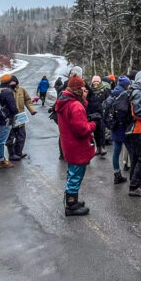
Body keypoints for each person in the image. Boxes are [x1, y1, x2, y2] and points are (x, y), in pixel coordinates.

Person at [54, 76, 94, 216]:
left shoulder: (65, 102)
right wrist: (92, 124)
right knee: (76, 174)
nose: (86, 90)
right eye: (83, 88)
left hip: (69, 144)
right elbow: (81, 129)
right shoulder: (75, 106)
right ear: (78, 89)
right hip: (77, 146)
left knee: (73, 173)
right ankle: (71, 205)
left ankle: (73, 200)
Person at [103, 75, 132, 184]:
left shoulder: (113, 93)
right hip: (124, 126)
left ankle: (117, 174)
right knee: (131, 151)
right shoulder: (125, 94)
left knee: (116, 152)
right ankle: (135, 176)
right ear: (126, 85)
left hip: (115, 126)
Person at [0, 75, 19, 169]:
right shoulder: (7, 91)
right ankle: (0, 160)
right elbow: (13, 107)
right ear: (11, 82)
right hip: (6, 119)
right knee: (2, 140)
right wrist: (16, 111)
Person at [6, 75, 36, 161]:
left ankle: (18, 153)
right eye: (10, 82)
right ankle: (11, 154)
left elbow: (27, 100)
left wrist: (32, 110)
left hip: (20, 117)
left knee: (21, 136)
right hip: (10, 118)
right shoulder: (6, 91)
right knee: (10, 137)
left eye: (14, 82)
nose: (12, 84)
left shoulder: (21, 90)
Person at [86, 76, 109, 157]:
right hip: (93, 113)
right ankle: (98, 147)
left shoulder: (105, 90)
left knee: (102, 130)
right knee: (95, 131)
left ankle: (102, 147)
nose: (95, 83)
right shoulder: (89, 91)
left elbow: (108, 101)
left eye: (97, 81)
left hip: (102, 113)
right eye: (94, 81)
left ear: (100, 82)